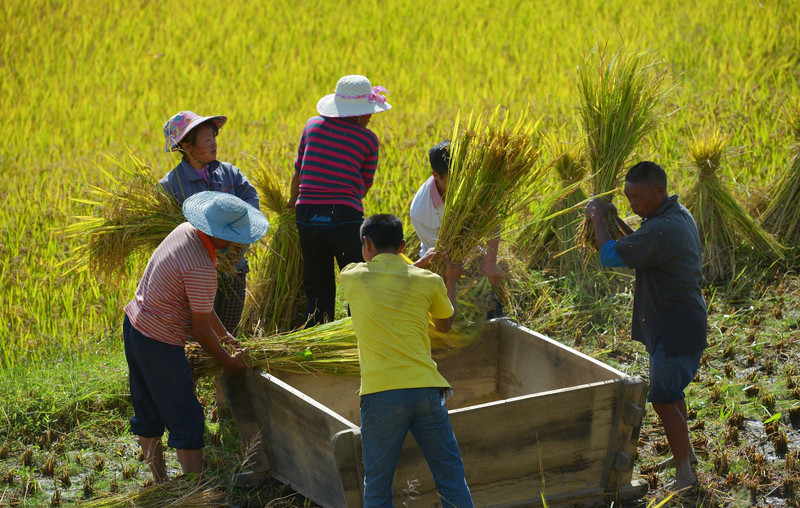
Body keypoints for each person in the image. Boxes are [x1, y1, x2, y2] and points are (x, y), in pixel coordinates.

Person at [123, 191, 269, 483]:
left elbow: (199, 306)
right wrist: (228, 361)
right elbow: (199, 327)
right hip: (159, 342)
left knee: (148, 411)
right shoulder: (201, 265)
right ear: (218, 234)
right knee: (187, 417)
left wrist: (225, 334)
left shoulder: (186, 230)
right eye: (235, 238)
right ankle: (196, 490)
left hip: (135, 326)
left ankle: (162, 483)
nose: (239, 245)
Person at [585, 161, 707, 490]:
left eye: (637, 198)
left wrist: (597, 216)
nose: (632, 205)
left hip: (675, 327)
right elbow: (639, 242)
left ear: (658, 191)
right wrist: (616, 221)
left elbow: (610, 255)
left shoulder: (663, 229)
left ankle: (685, 475)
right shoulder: (673, 215)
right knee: (671, 392)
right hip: (682, 321)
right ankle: (687, 456)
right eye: (627, 198)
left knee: (663, 398)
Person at [340, 214, 474, 508]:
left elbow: (387, 285)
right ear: (402, 245)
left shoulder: (352, 276)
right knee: (451, 477)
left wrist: (416, 265)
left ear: (366, 243)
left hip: (381, 395)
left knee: (377, 486)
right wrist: (450, 279)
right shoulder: (429, 281)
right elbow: (444, 324)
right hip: (427, 390)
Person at [288, 74, 391, 326]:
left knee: (317, 286)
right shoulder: (368, 139)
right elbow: (363, 188)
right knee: (358, 283)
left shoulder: (311, 125)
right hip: (344, 218)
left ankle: (319, 343)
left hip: (308, 218)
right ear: (356, 113)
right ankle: (356, 340)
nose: (371, 117)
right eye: (368, 112)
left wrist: (291, 207)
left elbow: (298, 173)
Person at [160, 110, 260, 334]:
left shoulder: (228, 173)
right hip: (195, 275)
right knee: (198, 334)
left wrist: (239, 231)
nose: (214, 144)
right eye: (207, 140)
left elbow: (251, 200)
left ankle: (226, 368)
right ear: (186, 146)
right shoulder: (171, 185)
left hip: (233, 268)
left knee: (228, 331)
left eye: (214, 137)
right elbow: (167, 232)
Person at [410, 140, 502, 315]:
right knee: (453, 318)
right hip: (441, 263)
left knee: (492, 310)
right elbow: (443, 255)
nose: (462, 183)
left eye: (464, 176)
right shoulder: (421, 211)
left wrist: (490, 262)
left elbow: (492, 219)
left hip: (473, 255)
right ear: (436, 175)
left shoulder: (471, 183)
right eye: (456, 178)